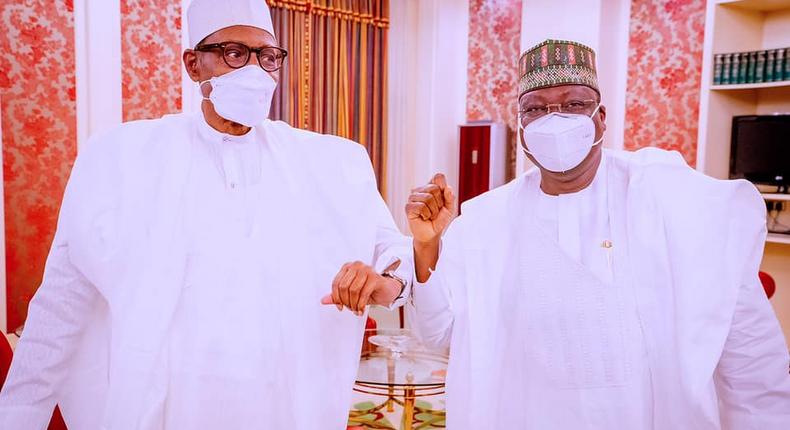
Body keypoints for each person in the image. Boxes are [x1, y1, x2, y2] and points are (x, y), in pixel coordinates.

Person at [0, 0, 411, 428]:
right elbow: (61, 305)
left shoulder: (332, 163)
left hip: (286, 405)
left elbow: (394, 253)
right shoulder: (121, 160)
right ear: (194, 65)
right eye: (235, 53)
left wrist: (388, 281)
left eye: (268, 57)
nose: (255, 71)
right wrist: (16, 417)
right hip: (166, 410)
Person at [405, 40, 790, 429]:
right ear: (522, 129)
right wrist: (426, 245)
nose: (554, 121)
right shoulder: (485, 221)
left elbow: (753, 365)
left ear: (601, 117)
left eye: (573, 104)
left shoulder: (676, 202)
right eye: (535, 109)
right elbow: (439, 334)